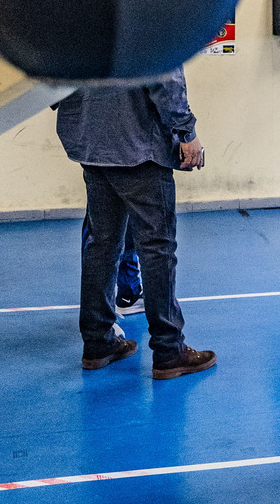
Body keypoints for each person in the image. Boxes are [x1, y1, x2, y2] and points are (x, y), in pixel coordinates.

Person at [55, 70, 215, 379]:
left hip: (90, 142)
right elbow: (165, 74)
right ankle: (169, 351)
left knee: (101, 245)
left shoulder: (77, 20)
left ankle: (98, 343)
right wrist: (187, 132)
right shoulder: (151, 19)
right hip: (138, 144)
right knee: (157, 249)